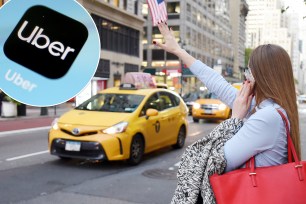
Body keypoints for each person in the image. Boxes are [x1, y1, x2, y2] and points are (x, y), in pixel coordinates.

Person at [153, 22, 301, 173]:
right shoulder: (269, 109)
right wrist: (178, 51)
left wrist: (234, 119)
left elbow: (216, 163)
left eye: (248, 71)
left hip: (250, 195)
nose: (246, 77)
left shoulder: (267, 117)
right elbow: (218, 84)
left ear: (260, 76)